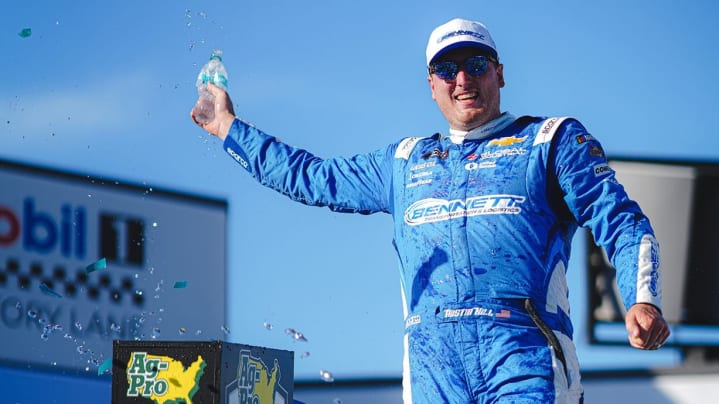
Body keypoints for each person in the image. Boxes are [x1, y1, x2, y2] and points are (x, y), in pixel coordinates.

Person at [191, 17, 670, 404]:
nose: (463, 80)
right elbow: (312, 177)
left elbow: (622, 221)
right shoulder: (404, 162)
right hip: (433, 371)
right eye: (447, 70)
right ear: (431, 84)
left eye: (476, 64)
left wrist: (642, 299)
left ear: (500, 73)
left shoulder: (550, 141)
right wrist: (228, 127)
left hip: (525, 363)